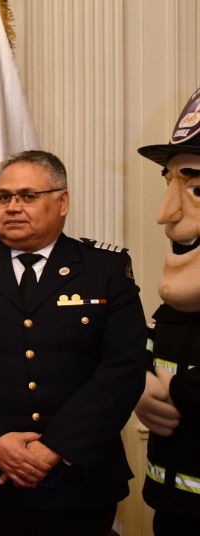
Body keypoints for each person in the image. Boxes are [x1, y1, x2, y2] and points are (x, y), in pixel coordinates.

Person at [0, 150, 147, 536]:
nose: (12, 207)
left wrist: (54, 448)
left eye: (27, 196)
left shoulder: (105, 270)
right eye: (4, 197)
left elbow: (122, 370)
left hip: (79, 478)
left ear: (63, 202)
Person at [134, 86, 200, 535]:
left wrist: (174, 391)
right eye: (169, 184)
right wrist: (135, 381)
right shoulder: (175, 308)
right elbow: (143, 349)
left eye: (194, 188)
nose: (164, 214)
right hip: (172, 508)